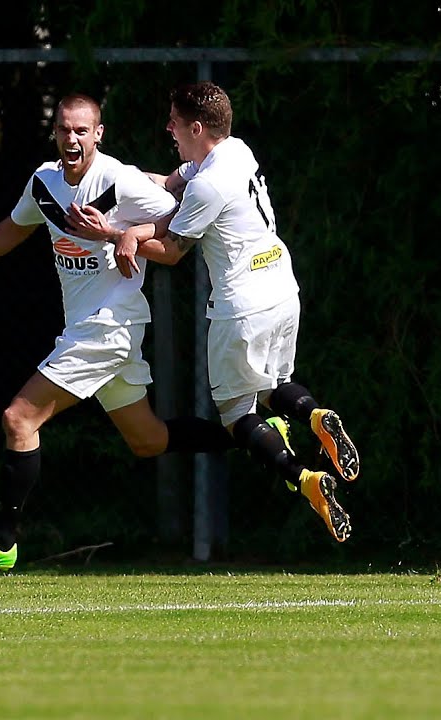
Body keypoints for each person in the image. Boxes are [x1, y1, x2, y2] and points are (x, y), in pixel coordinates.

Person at [0, 94, 235, 571]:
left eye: (82, 131)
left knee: (19, 419)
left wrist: (127, 234)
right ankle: (249, 434)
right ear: (55, 133)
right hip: (90, 326)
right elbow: (14, 228)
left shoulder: (118, 179)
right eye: (64, 131)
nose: (72, 139)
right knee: (149, 440)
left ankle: (1, 542)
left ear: (99, 134)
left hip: (109, 325)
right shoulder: (45, 182)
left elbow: (178, 216)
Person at [81, 81, 360, 542]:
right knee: (275, 386)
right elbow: (172, 186)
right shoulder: (235, 153)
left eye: (174, 121)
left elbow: (171, 250)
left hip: (242, 304)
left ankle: (307, 479)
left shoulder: (208, 184)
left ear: (195, 126)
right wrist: (118, 178)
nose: (167, 127)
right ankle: (315, 416)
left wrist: (112, 234)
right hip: (281, 286)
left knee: (236, 415)